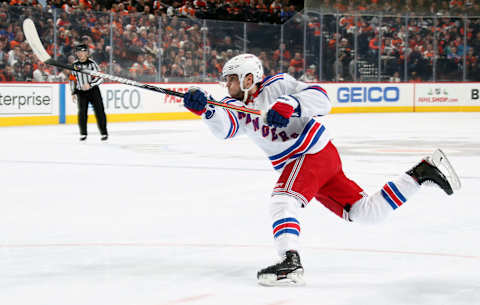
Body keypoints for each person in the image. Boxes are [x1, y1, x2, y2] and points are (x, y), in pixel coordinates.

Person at [182, 54, 460, 286]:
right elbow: (225, 127)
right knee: (365, 212)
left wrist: (290, 104)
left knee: (283, 200)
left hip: (310, 152)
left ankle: (290, 262)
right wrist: (206, 110)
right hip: (317, 161)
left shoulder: (278, 85)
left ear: (248, 78)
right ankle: (421, 174)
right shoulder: (234, 106)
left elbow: (321, 99)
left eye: (231, 78)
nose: (226, 84)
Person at [69, 44, 108, 141]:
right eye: (79, 52)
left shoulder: (92, 64)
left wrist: (90, 84)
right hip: (81, 92)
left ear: (87, 53)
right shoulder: (74, 65)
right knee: (82, 112)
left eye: (83, 51)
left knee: (99, 111)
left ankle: (104, 133)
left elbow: (100, 78)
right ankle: (83, 133)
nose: (81, 54)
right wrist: (73, 92)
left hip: (93, 91)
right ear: (76, 53)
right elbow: (72, 79)